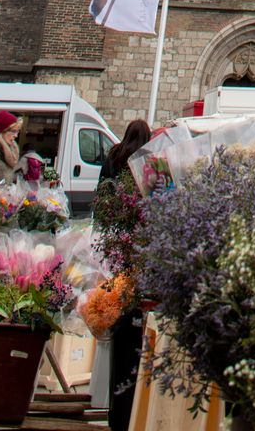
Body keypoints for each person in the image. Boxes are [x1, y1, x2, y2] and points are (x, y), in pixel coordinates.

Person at [99, 119, 152, 431]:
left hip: (117, 246)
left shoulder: (114, 156)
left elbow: (101, 194)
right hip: (139, 253)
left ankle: (115, 412)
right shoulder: (149, 159)